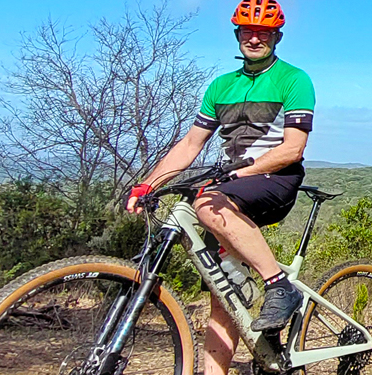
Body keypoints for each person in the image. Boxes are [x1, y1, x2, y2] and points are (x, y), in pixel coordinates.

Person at [127, 0, 315, 373]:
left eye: (263, 32)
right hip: (233, 184)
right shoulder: (221, 86)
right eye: (248, 30)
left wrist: (239, 173)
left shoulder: (294, 80)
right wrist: (147, 184)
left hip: (277, 179)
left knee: (207, 202)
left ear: (276, 37)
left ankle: (279, 286)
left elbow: (292, 148)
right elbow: (190, 145)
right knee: (223, 292)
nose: (255, 37)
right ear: (238, 35)